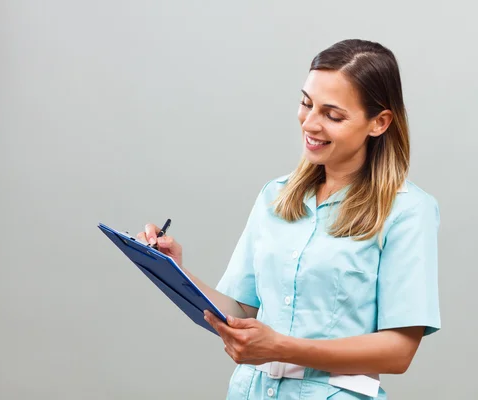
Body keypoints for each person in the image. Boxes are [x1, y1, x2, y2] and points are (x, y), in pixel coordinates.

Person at [138, 39, 441, 400]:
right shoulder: (275, 196)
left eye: (333, 114)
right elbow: (242, 312)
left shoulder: (406, 211)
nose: (310, 123)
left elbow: (398, 352)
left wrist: (281, 348)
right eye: (306, 103)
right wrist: (174, 271)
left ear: (379, 122)